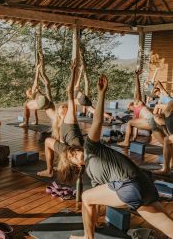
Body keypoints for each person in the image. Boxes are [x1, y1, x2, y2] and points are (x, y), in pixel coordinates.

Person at [53, 75, 173, 239]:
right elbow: (94, 204)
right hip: (138, 188)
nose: (76, 152)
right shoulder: (93, 176)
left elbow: (97, 121)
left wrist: (101, 94)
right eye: (72, 156)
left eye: (74, 150)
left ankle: (88, 238)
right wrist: (93, 222)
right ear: (77, 166)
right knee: (90, 198)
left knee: (85, 197)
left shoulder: (91, 147)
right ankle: (89, 234)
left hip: (138, 183)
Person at [37, 59, 84, 178]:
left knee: (79, 157)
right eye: (61, 107)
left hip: (76, 150)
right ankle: (51, 170)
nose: (62, 107)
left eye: (65, 106)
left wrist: (73, 72)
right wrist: (39, 93)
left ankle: (76, 164)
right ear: (58, 111)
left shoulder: (70, 119)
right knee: (48, 141)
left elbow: (71, 93)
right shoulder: (58, 120)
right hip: (69, 149)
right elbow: (47, 107)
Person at [118, 69, 164, 147]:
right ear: (129, 108)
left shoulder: (137, 103)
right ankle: (128, 141)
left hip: (150, 120)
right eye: (128, 104)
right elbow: (135, 127)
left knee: (129, 122)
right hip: (153, 123)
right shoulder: (135, 115)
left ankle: (126, 142)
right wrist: (134, 138)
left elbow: (138, 90)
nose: (130, 102)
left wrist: (136, 76)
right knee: (165, 142)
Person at [19, 51, 55, 127]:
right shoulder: (34, 100)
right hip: (47, 101)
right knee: (53, 116)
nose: (28, 93)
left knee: (26, 105)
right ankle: (59, 122)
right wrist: (36, 121)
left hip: (42, 100)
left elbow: (36, 79)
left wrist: (37, 70)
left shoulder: (33, 90)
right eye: (27, 93)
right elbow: (35, 110)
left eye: (28, 92)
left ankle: (26, 123)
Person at [153, 101, 173, 175]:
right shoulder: (167, 121)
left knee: (167, 140)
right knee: (168, 140)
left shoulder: (168, 110)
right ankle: (169, 165)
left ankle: (166, 169)